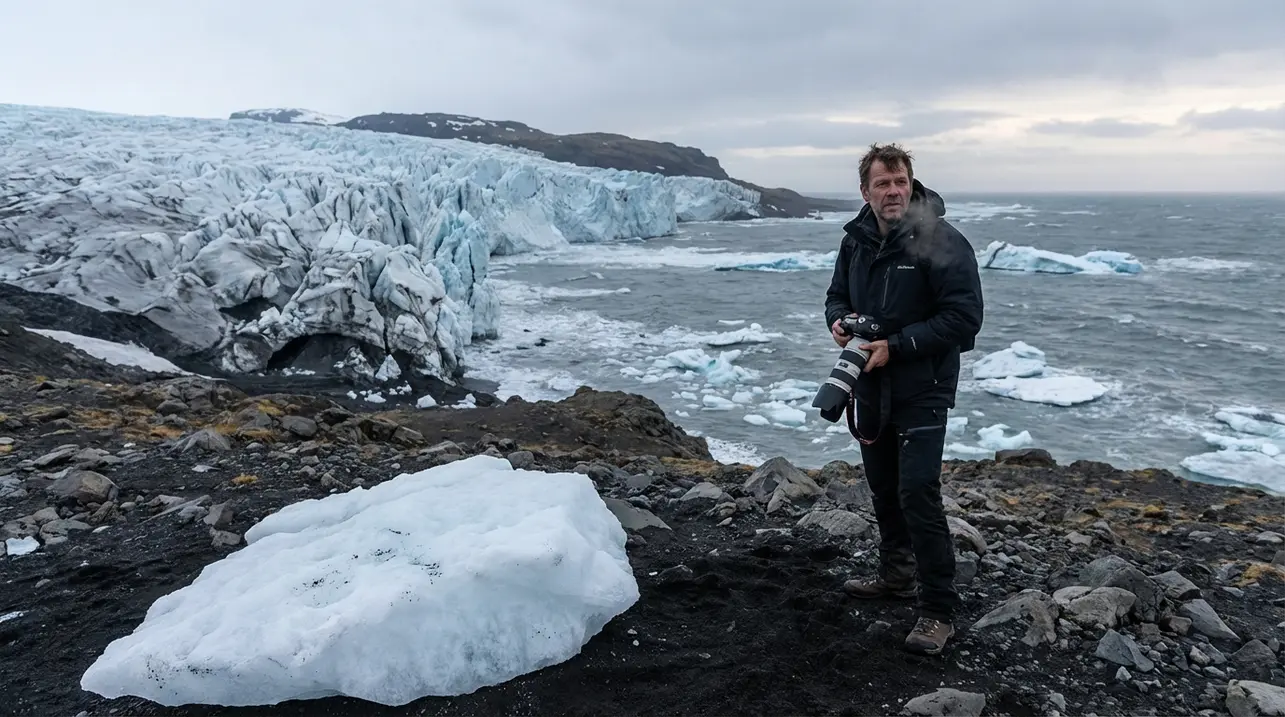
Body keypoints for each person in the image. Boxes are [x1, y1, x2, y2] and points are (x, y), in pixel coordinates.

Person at [823, 143, 984, 656]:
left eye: (901, 182)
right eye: (883, 184)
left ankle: (938, 610)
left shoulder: (944, 241)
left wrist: (896, 346)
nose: (894, 192)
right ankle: (895, 577)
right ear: (865, 191)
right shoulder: (856, 242)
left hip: (923, 387)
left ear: (911, 185)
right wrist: (839, 321)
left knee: (918, 492)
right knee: (884, 488)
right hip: (870, 384)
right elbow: (836, 295)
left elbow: (963, 320)